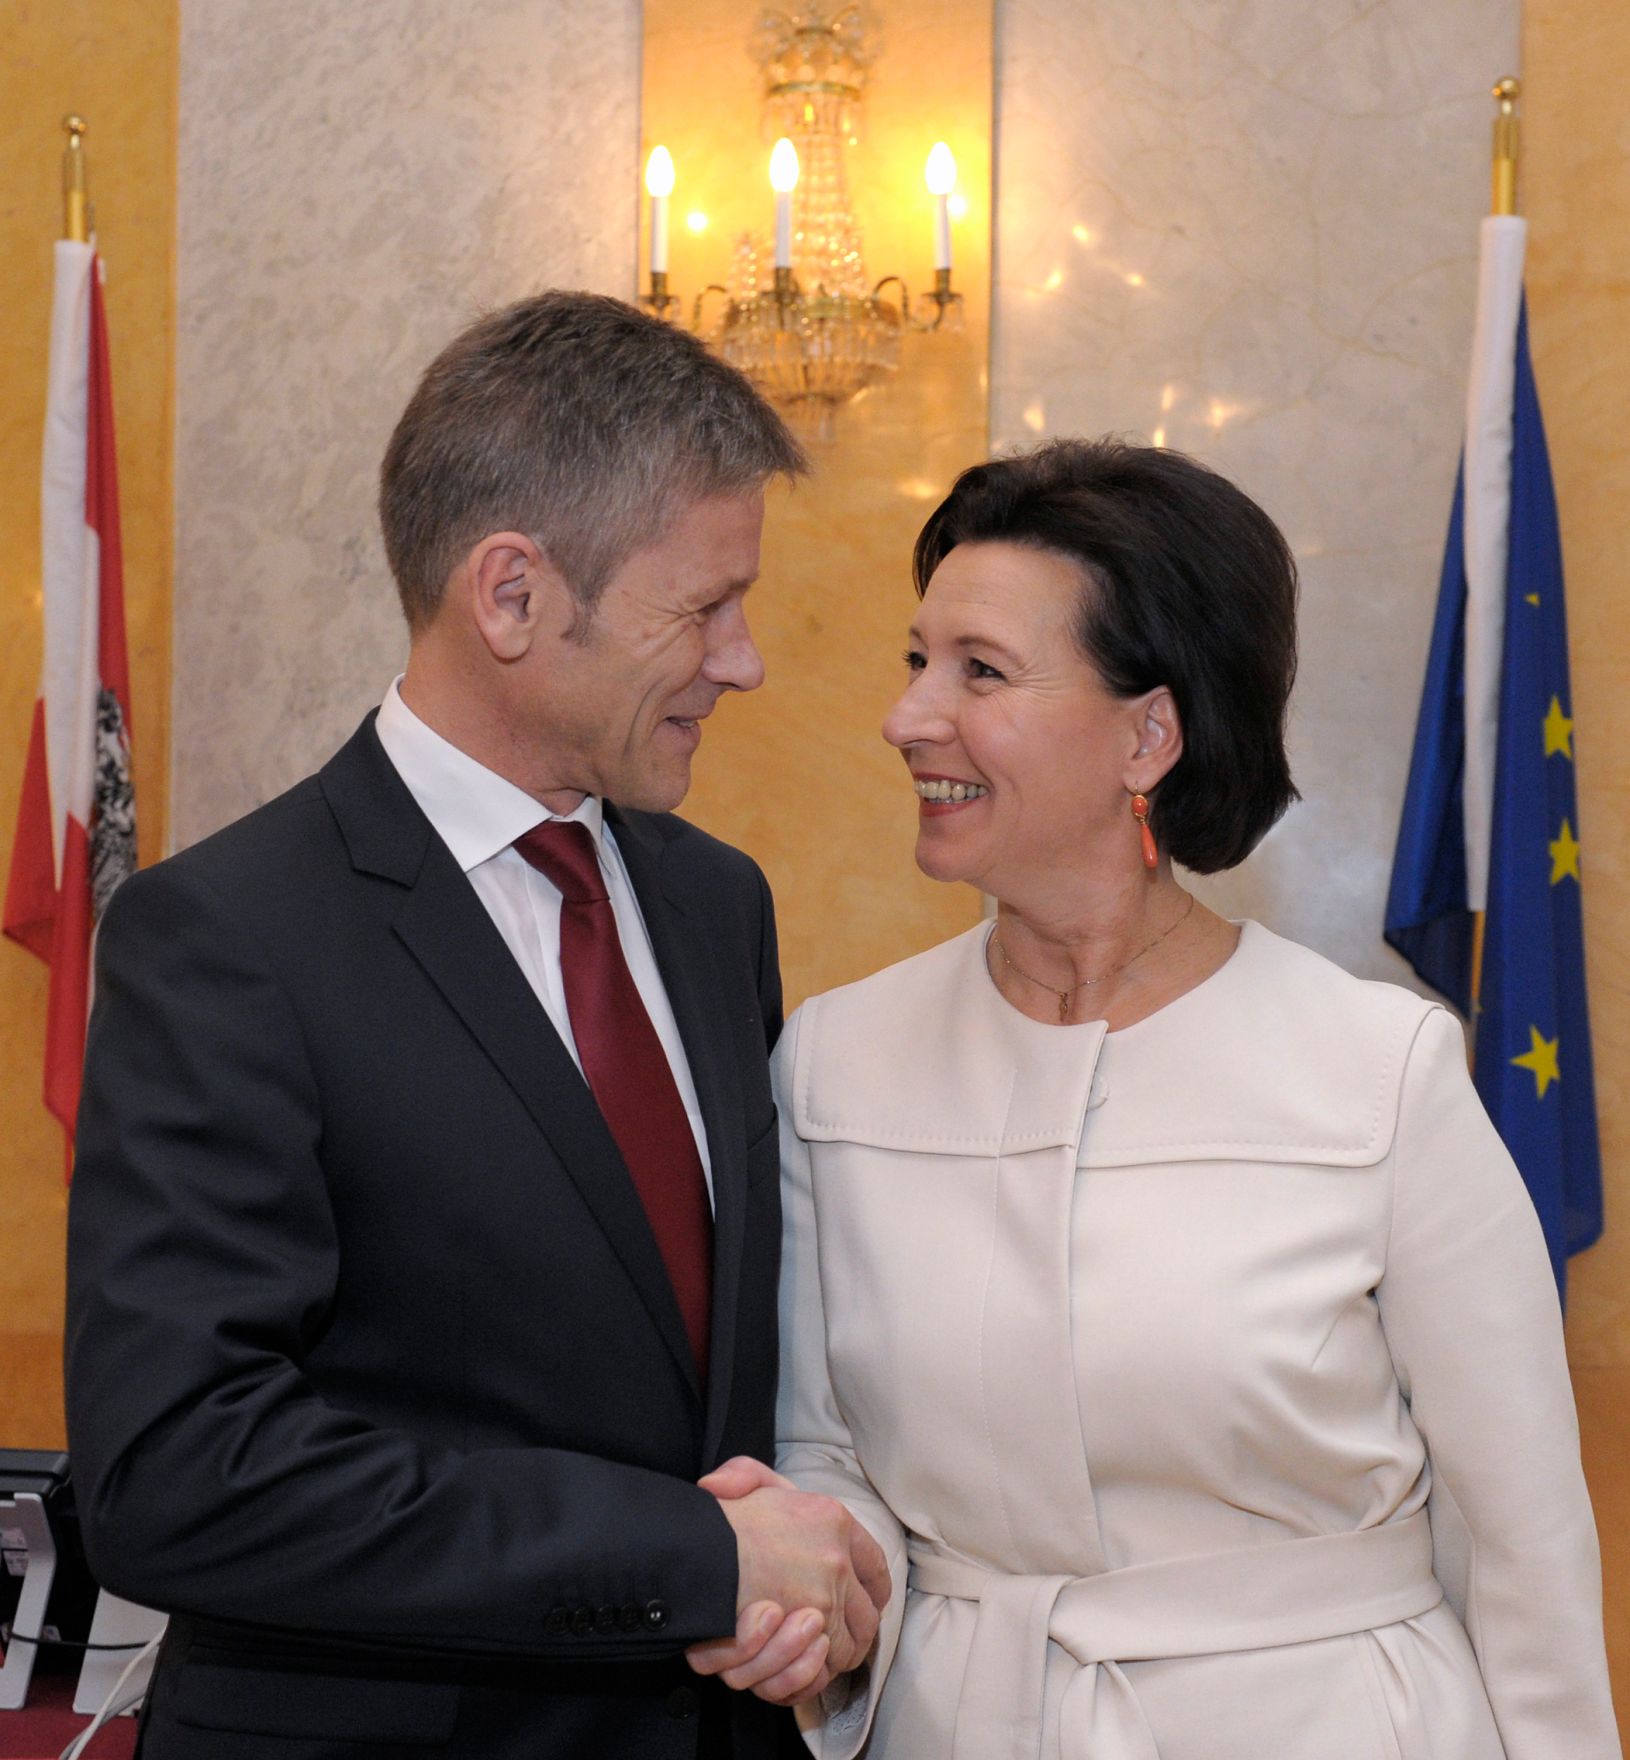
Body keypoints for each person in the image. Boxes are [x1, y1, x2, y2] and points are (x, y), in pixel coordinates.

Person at [696, 439, 1621, 1758]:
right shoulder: (834, 1064)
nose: (908, 717)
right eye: (916, 662)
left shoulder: (1378, 1071)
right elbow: (825, 1455)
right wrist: (830, 1615)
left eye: (980, 671)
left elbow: (1521, 1535)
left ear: (1149, 732)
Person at [64, 290, 886, 1760]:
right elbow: (183, 1475)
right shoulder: (228, 939)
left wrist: (817, 1570)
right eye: (702, 606)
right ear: (510, 596)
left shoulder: (715, 906)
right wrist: (682, 1562)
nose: (745, 659)